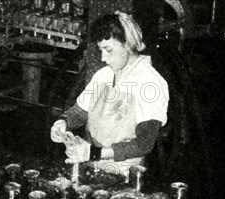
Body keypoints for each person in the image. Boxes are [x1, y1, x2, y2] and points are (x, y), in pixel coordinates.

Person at [50, 12, 169, 177]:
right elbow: (80, 111)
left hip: (124, 172)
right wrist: (63, 122)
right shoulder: (104, 75)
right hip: (91, 165)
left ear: (127, 44)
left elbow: (144, 144)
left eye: (108, 50)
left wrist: (94, 153)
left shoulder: (150, 83)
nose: (103, 58)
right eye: (100, 50)